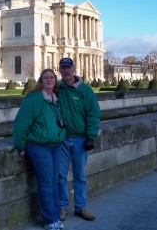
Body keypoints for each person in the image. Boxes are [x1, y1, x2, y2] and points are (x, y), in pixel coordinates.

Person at [13, 69, 66, 230]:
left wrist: (61, 135)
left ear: (55, 80)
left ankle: (56, 216)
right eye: (46, 78)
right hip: (38, 146)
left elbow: (60, 122)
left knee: (55, 181)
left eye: (52, 77)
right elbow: (21, 124)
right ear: (41, 81)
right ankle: (50, 220)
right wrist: (21, 146)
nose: (49, 80)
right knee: (46, 183)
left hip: (55, 145)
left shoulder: (55, 99)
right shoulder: (34, 99)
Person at [57, 57, 100, 222]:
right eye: (63, 68)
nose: (66, 71)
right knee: (61, 175)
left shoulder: (85, 90)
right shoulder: (58, 89)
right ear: (60, 70)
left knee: (79, 175)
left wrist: (90, 136)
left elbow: (93, 114)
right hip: (62, 139)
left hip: (80, 139)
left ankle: (81, 207)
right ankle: (63, 207)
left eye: (68, 67)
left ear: (73, 69)